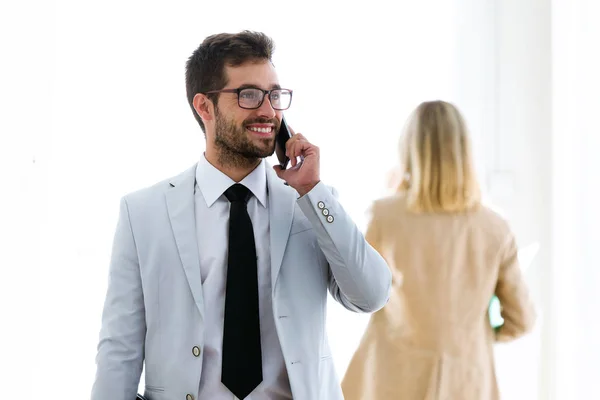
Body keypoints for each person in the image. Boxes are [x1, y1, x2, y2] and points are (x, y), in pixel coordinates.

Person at [90, 31, 392, 400]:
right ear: (205, 107)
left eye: (275, 95)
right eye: (249, 95)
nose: (269, 111)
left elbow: (371, 295)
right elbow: (119, 350)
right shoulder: (144, 213)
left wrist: (313, 191)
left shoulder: (310, 204)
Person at [341, 100, 536, 400]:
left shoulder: (385, 216)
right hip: (467, 380)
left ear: (409, 150)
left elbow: (363, 294)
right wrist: (477, 337)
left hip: (390, 378)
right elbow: (522, 319)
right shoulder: (495, 228)